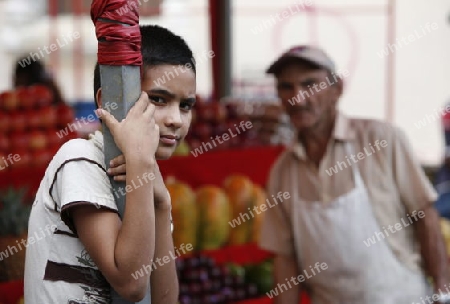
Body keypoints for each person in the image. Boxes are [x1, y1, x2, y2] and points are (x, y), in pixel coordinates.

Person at [259, 45, 450, 303]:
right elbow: (285, 260)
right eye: (286, 87)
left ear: (337, 89)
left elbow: (425, 215)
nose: (298, 98)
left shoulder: (382, 139)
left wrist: (443, 290)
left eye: (310, 84)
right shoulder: (282, 172)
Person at [24, 24, 196, 303]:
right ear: (111, 102)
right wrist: (140, 165)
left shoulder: (149, 178)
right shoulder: (79, 159)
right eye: (159, 100)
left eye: (186, 105)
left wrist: (162, 205)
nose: (176, 119)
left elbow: (166, 300)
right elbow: (131, 283)